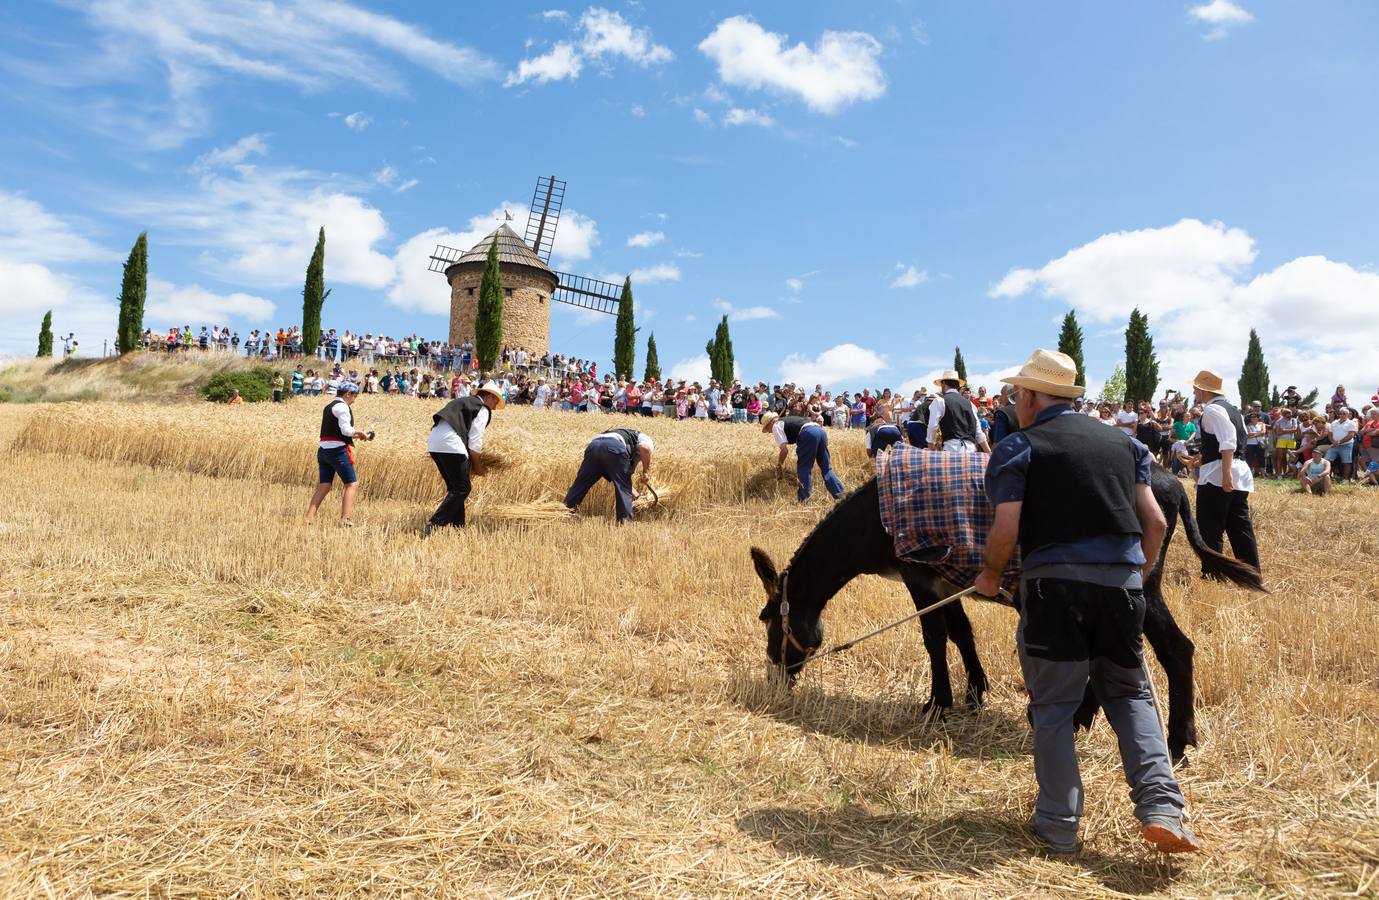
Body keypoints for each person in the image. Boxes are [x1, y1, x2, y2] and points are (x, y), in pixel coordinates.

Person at [973, 348, 1198, 857]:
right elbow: (1156, 524)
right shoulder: (1126, 444)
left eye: (1017, 395)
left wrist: (989, 576)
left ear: (1030, 396)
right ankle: (1164, 809)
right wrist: (1135, 575)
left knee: (1054, 706)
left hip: (1053, 591)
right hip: (1121, 590)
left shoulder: (1017, 448)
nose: (1015, 403)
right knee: (1131, 695)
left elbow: (1006, 527)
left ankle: (1058, 826)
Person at [1191, 370, 1261, 576]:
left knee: (1209, 527)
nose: (1193, 390)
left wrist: (1226, 474)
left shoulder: (1213, 410)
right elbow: (1240, 440)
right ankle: (1251, 573)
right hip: (1238, 472)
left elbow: (1229, 441)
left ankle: (1213, 574)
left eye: (1196, 387)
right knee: (1239, 526)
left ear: (1204, 389)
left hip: (1219, 475)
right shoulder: (1233, 410)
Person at [425, 380, 504, 532]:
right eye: (495, 401)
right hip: (451, 444)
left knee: (455, 489)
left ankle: (458, 528)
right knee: (462, 489)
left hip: (434, 443)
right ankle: (434, 524)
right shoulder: (482, 408)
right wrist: (478, 467)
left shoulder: (462, 401)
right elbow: (474, 443)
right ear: (488, 396)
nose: (495, 407)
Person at [305, 381, 372, 526]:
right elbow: (346, 431)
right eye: (354, 397)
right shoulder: (342, 407)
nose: (354, 400)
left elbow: (334, 433)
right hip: (337, 452)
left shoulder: (329, 406)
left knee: (324, 485)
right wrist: (358, 432)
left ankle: (308, 518)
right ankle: (345, 520)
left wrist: (359, 436)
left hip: (323, 451)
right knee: (351, 484)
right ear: (348, 394)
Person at [563, 428, 655, 523]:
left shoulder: (626, 437)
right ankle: (625, 523)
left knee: (579, 485)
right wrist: (645, 472)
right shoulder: (645, 438)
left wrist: (637, 496)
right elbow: (645, 448)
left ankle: (564, 514)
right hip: (614, 447)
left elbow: (619, 478)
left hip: (593, 446)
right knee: (623, 490)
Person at [760, 412, 845, 502]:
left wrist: (779, 466)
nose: (768, 431)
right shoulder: (788, 419)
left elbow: (784, 450)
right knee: (826, 468)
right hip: (820, 431)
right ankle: (841, 495)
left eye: (767, 428)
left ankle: (804, 499)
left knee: (804, 468)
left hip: (808, 434)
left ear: (770, 423)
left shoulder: (776, 426)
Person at [926, 370, 989, 453]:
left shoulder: (940, 401)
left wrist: (930, 447)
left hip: (951, 449)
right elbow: (979, 433)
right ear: (958, 385)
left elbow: (932, 426)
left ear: (943, 383)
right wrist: (989, 453)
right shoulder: (970, 404)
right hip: (970, 450)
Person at [1324, 407, 1358, 482]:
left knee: (1346, 462)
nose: (1342, 415)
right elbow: (1330, 434)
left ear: (1348, 414)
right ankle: (1326, 478)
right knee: (1327, 461)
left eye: (1344, 413)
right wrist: (1333, 442)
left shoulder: (1351, 423)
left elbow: (1351, 435)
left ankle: (1345, 479)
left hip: (1346, 445)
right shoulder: (1334, 423)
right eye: (1340, 413)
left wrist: (1339, 442)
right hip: (1334, 445)